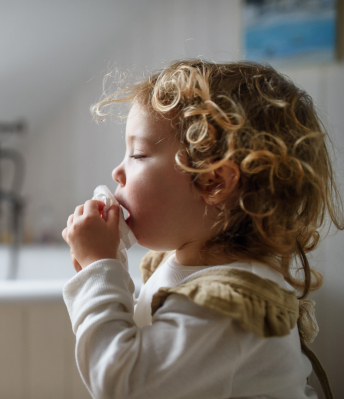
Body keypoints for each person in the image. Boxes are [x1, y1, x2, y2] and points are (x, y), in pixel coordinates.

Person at [61, 60, 343, 399]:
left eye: (137, 154)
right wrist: (108, 263)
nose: (117, 171)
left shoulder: (228, 308)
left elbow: (121, 383)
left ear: (213, 182)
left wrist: (98, 267)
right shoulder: (190, 268)